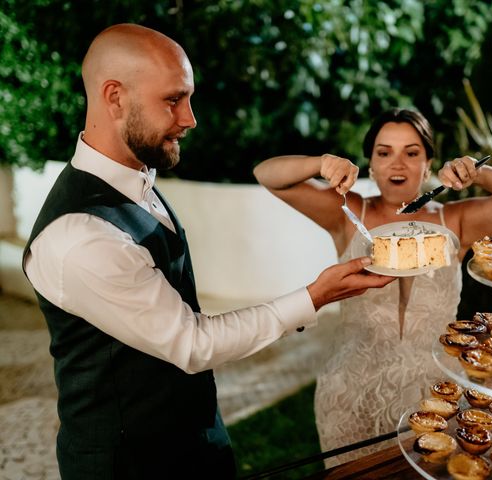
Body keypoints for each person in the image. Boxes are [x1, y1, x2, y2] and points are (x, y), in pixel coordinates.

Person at [22, 24, 395, 480]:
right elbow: (193, 343)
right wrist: (314, 296)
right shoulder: (80, 235)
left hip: (196, 441)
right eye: (173, 99)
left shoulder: (136, 179)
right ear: (115, 98)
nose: (190, 118)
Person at [254, 108, 492, 465]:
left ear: (429, 164)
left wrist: (479, 171)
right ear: (371, 165)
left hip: (435, 398)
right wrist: (320, 163)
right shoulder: (346, 213)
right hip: (350, 393)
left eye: (411, 152)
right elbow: (266, 174)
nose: (397, 164)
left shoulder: (455, 220)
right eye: (384, 152)